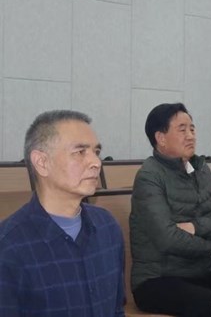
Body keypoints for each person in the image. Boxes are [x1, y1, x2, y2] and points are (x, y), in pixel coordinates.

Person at [0, 110, 125, 316]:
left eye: (96, 151)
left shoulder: (107, 226)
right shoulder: (8, 246)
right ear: (42, 162)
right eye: (80, 152)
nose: (96, 162)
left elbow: (116, 308)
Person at [130, 103, 211, 316]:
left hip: (198, 273)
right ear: (161, 138)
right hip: (156, 279)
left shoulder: (201, 169)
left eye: (192, 129)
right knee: (206, 302)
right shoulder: (149, 176)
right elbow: (167, 239)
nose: (191, 136)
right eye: (182, 130)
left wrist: (195, 227)